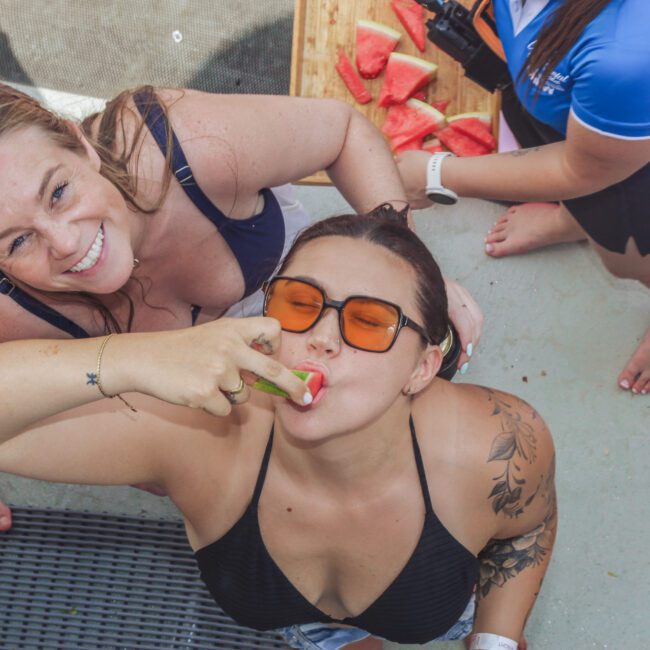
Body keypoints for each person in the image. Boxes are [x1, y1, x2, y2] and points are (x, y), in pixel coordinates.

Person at [0, 211, 556, 650]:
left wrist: (495, 637)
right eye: (299, 303)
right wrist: (130, 359)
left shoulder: (497, 441)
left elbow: (528, 525)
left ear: (423, 367)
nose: (320, 337)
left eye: (369, 321)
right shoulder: (191, 434)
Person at [0, 83, 484, 531]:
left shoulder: (183, 143)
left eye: (58, 192)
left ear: (78, 144)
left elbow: (343, 131)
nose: (64, 243)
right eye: (18, 242)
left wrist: (401, 262)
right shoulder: (14, 311)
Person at [397, 0, 650, 395]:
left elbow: (579, 169)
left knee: (627, 260)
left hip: (623, 164)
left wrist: (437, 174)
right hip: (590, 133)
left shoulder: (627, 56)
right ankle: (570, 219)